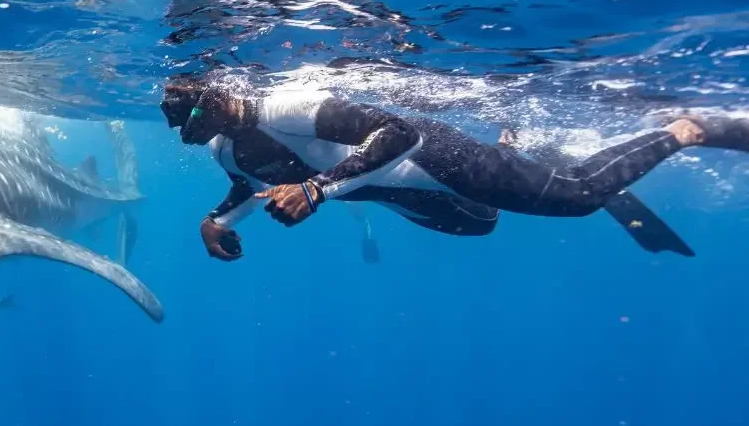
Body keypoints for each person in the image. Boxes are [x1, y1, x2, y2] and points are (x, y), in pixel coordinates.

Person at [160, 70, 748, 260]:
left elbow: (402, 131)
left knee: (578, 198)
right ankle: (515, 146)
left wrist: (316, 190)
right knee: (480, 225)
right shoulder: (227, 149)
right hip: (401, 193)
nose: (228, 112)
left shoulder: (290, 106)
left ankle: (682, 129)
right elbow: (245, 185)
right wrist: (217, 223)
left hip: (436, 159)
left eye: (223, 101)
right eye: (209, 118)